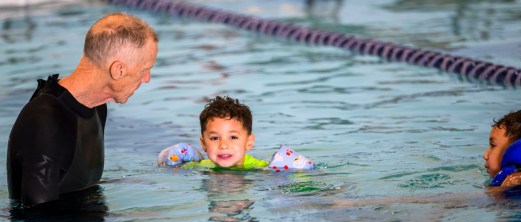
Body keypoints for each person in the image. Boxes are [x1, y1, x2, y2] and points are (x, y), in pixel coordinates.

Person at [7, 12, 158, 208]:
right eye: (144, 69)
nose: (147, 78)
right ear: (118, 70)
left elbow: (79, 188)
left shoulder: (96, 107)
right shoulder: (45, 119)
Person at [158, 96, 315, 172]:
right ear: (204, 143)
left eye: (233, 137)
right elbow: (164, 162)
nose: (223, 145)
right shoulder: (201, 166)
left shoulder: (258, 167)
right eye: (214, 138)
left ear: (249, 142)